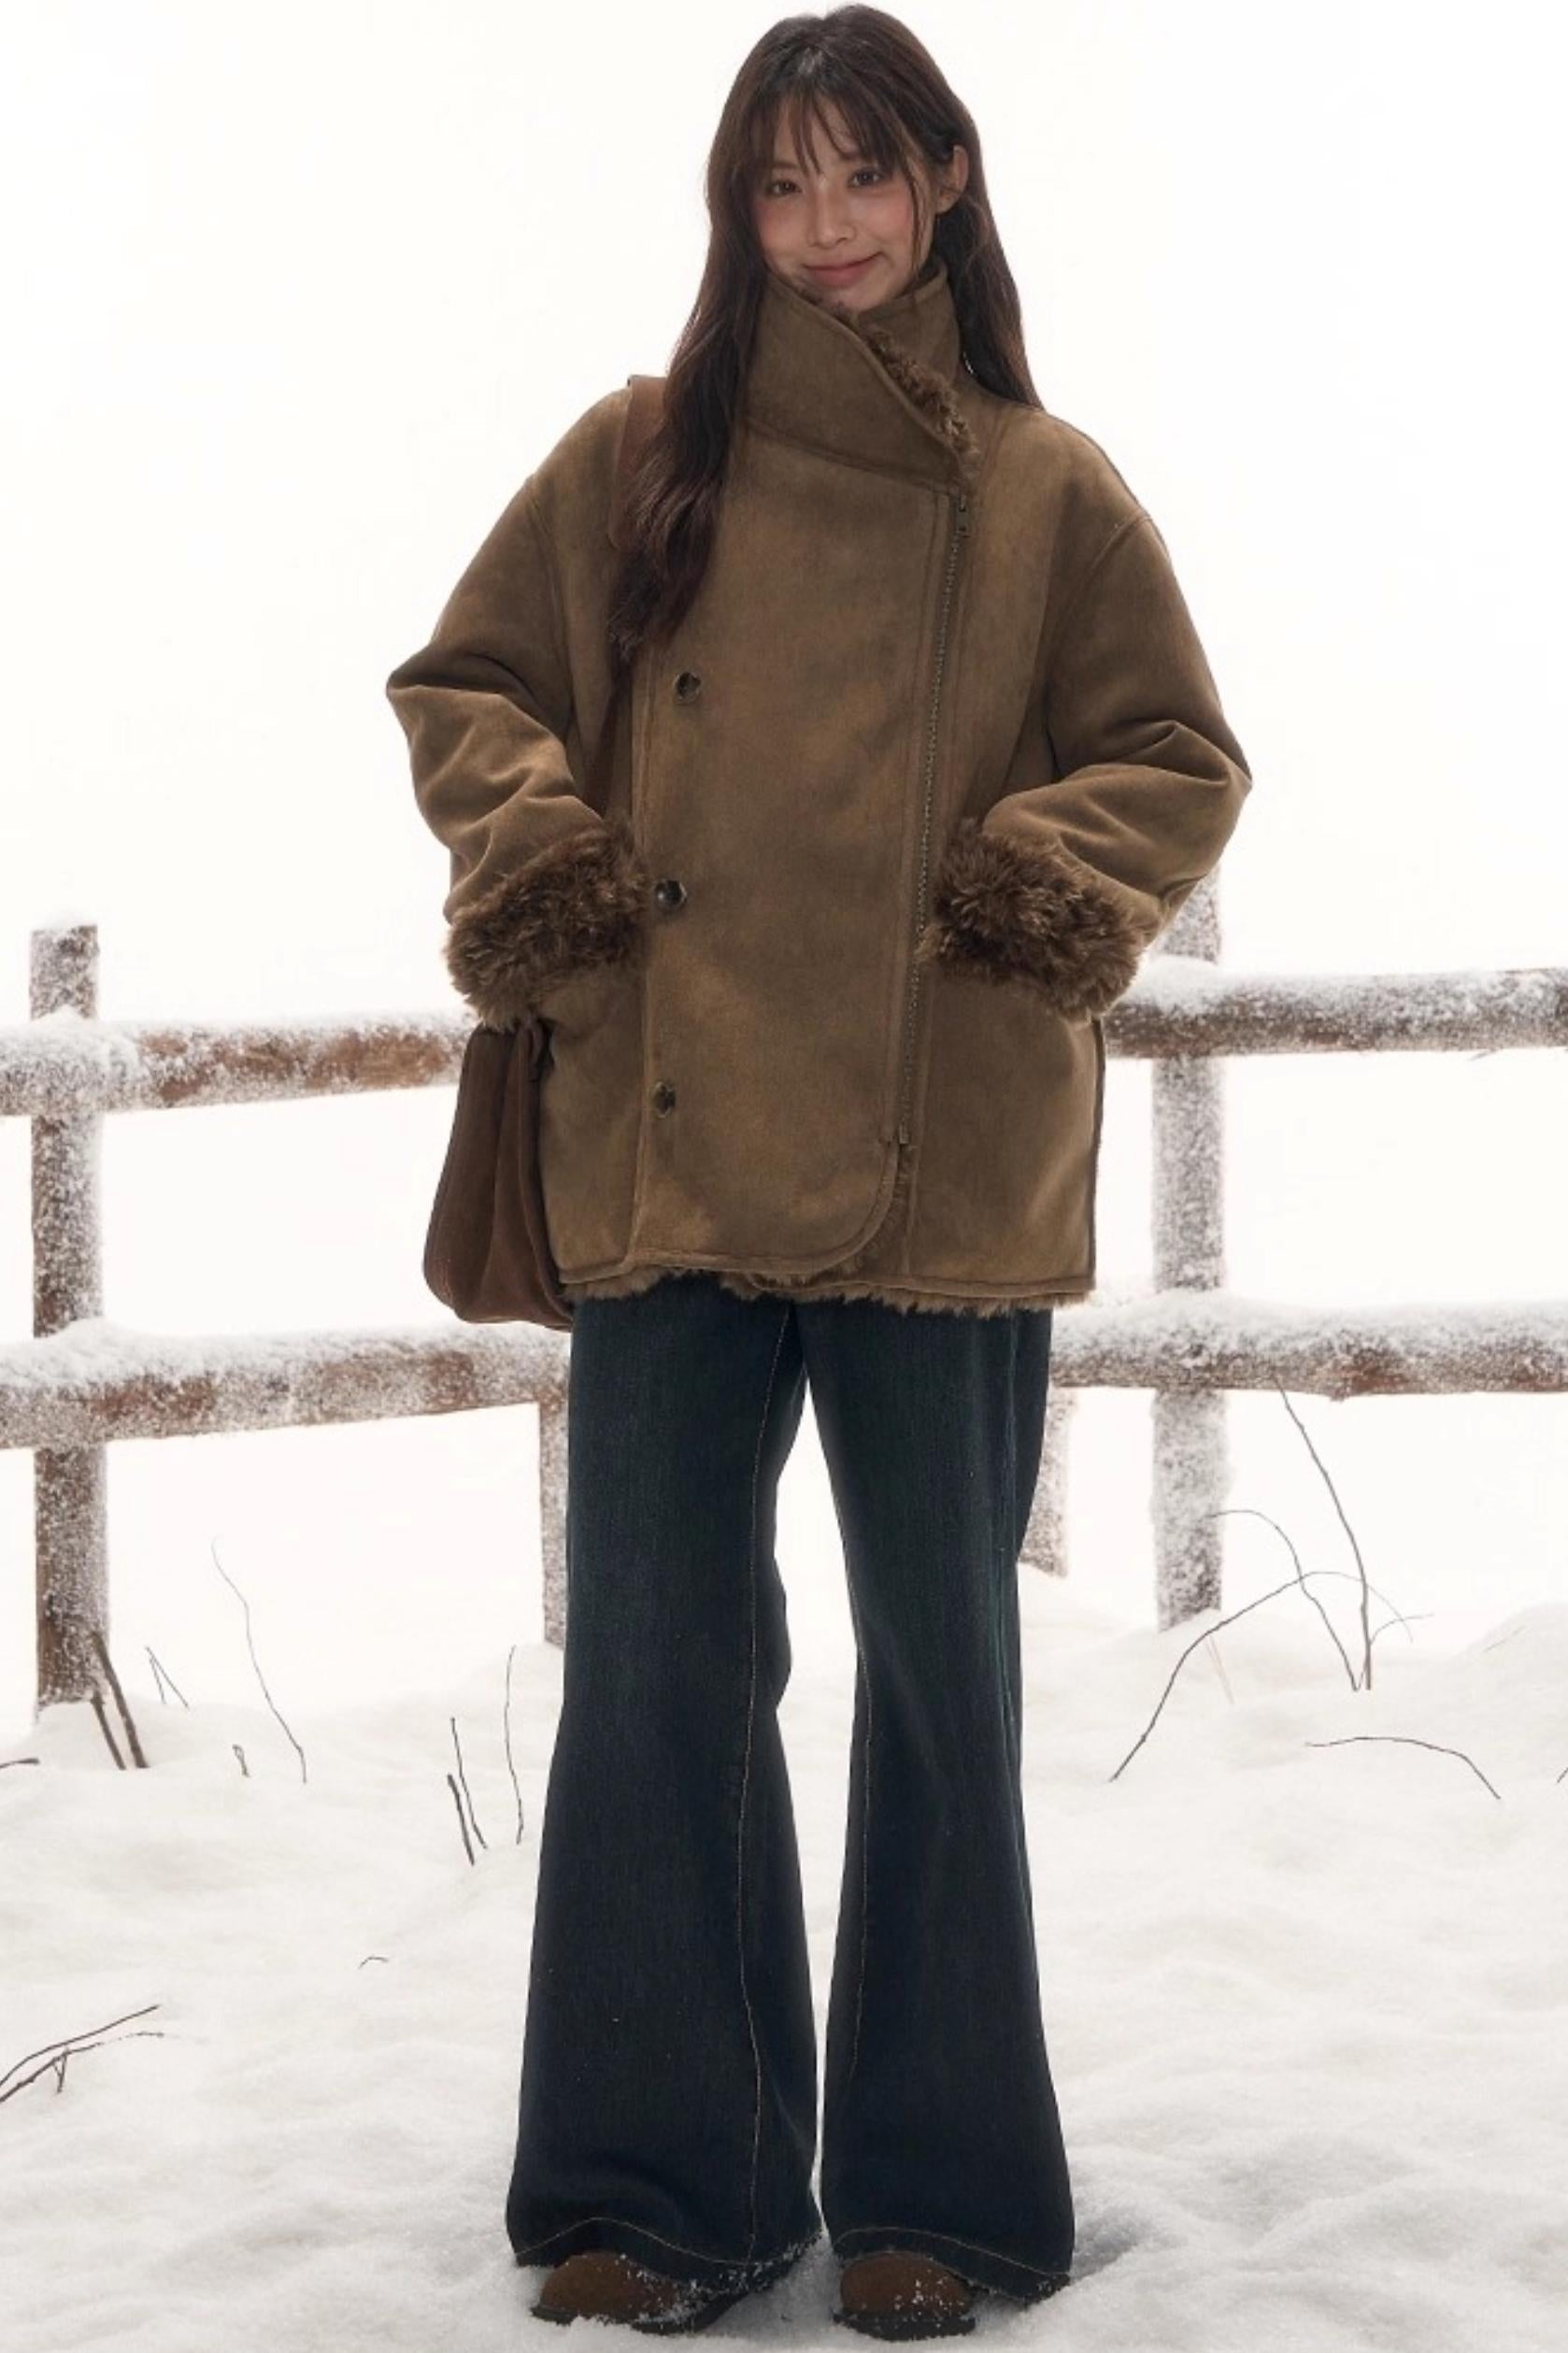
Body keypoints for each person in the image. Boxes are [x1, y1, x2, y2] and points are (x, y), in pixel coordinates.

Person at [386, 7, 1250, 2336]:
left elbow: (1176, 753)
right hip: (659, 1141)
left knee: (941, 1683)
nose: (824, 223)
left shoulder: (1047, 491)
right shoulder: (633, 456)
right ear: (735, 207)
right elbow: (467, 687)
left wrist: (1022, 881)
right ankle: (660, 2186)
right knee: (655, 1672)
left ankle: (939, 2198)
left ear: (944, 178)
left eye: (861, 172)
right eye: (778, 183)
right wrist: (546, 852)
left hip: (937, 1150)